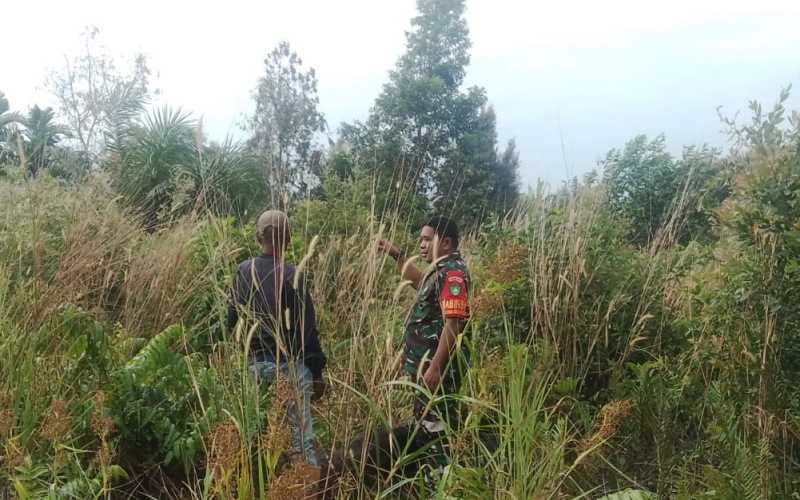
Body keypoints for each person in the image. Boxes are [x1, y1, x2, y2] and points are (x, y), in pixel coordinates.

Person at [377, 216, 472, 492]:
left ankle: (441, 486)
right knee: (425, 426)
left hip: (434, 370)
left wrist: (436, 368)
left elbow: (455, 322)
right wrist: (396, 255)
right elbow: (419, 283)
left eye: (427, 239)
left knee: (437, 429)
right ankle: (431, 483)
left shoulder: (453, 273)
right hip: (424, 367)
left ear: (446, 243)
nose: (422, 244)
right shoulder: (439, 269)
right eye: (421, 239)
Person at [227, 210, 327, 469]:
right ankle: (303, 488)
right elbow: (307, 331)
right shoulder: (294, 274)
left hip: (254, 369)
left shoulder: (243, 270)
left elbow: (231, 322)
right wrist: (316, 372)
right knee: (301, 446)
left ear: (258, 237)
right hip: (292, 368)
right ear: (289, 239)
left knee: (252, 437)